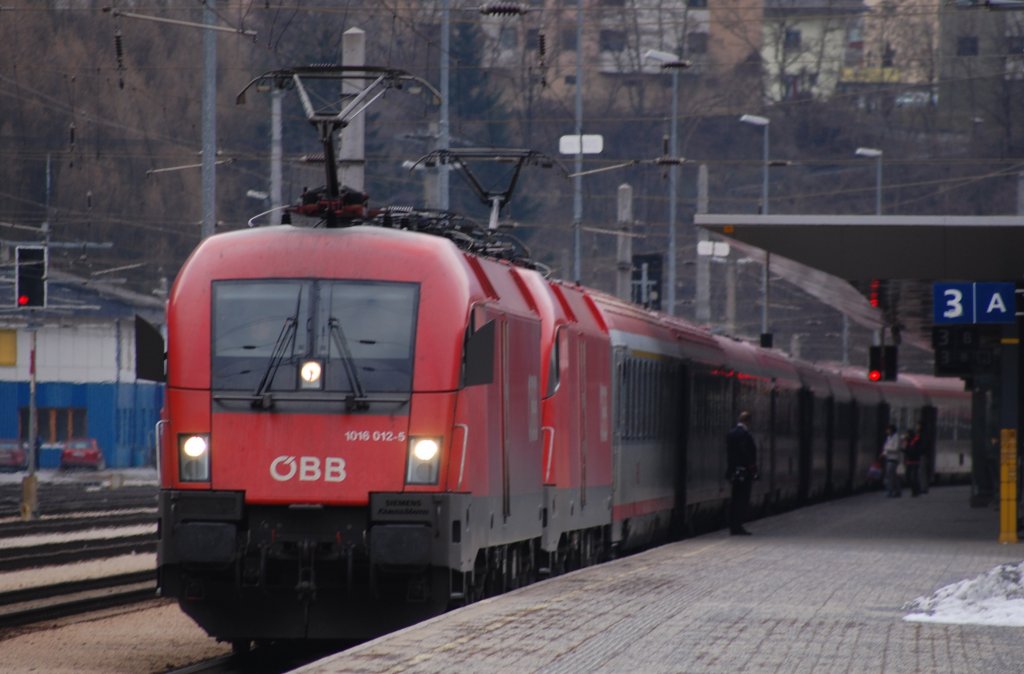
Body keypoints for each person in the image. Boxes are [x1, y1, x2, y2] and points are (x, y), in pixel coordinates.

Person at [726, 411, 758, 535]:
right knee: (742, 499)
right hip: (744, 472)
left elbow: (730, 454)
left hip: (734, 471)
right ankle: (738, 526)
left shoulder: (731, 433)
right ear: (748, 421)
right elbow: (748, 454)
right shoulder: (746, 435)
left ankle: (733, 526)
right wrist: (753, 470)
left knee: (735, 498)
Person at [882, 424, 901, 498]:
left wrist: (887, 449)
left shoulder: (896, 437)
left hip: (893, 459)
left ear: (891, 430)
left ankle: (890, 491)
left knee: (891, 477)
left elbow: (896, 448)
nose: (887, 431)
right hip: (889, 458)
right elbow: (886, 447)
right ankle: (896, 491)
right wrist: (884, 453)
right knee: (893, 476)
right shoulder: (889, 437)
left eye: (888, 429)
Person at [904, 423, 923, 497]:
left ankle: (915, 491)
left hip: (915, 460)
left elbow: (916, 450)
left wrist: (909, 450)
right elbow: (907, 450)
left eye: (907, 434)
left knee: (914, 477)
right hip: (909, 461)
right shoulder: (909, 441)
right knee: (908, 477)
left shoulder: (917, 439)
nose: (906, 435)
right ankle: (915, 490)